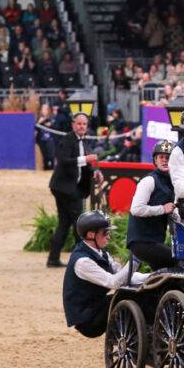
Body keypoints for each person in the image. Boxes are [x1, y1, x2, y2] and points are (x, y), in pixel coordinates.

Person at [62, 211, 148, 338]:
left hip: (97, 306)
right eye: (105, 233)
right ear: (91, 234)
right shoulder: (83, 262)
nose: (108, 237)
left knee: (138, 294)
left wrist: (153, 277)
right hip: (88, 320)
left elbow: (124, 276)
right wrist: (135, 259)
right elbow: (113, 282)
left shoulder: (102, 253)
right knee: (125, 297)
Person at [47, 111, 98, 268]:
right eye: (79, 123)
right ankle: (80, 259)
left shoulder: (84, 142)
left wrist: (96, 172)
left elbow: (86, 166)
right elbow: (63, 160)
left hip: (71, 188)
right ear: (73, 125)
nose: (82, 126)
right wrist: (85, 159)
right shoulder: (67, 140)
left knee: (65, 223)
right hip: (64, 188)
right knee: (78, 223)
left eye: (84, 124)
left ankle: (54, 259)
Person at [126, 140, 176, 270]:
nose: (165, 160)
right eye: (161, 157)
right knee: (179, 261)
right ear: (155, 160)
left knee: (165, 276)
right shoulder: (149, 180)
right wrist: (162, 209)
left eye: (168, 157)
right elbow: (136, 209)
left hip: (154, 241)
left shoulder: (171, 182)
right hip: (142, 242)